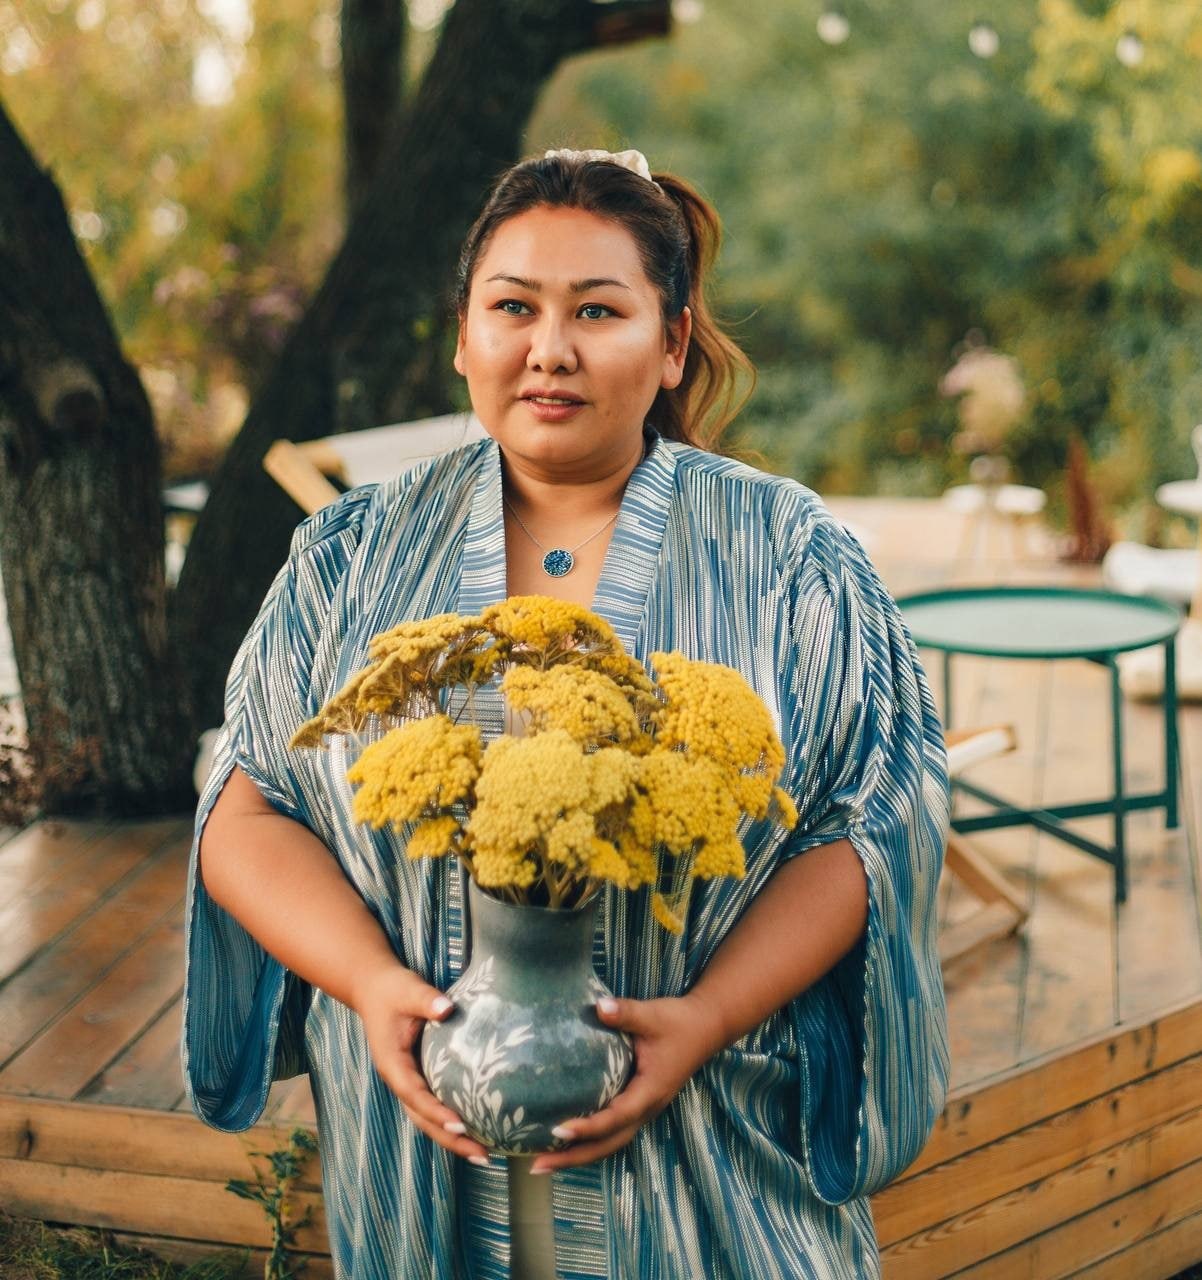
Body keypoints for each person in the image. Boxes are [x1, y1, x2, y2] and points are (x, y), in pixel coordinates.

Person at [185, 147, 950, 1280]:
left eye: (597, 309)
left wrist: (704, 1017)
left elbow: (875, 819)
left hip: (712, 1154)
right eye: (513, 308)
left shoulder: (790, 555)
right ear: (463, 336)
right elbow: (249, 807)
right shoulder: (350, 553)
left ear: (671, 342)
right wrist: (371, 983)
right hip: (418, 1156)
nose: (550, 348)